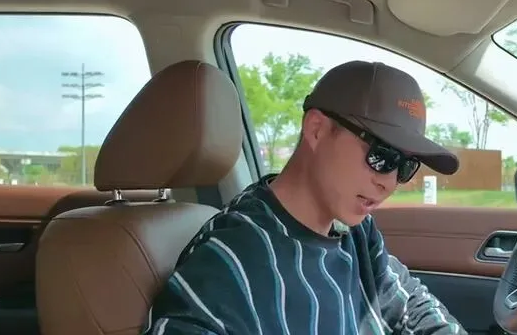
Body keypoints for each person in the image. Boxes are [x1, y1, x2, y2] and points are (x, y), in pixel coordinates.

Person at [143, 60, 467, 334]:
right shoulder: (233, 260)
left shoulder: (356, 233)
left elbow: (411, 306)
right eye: (381, 157)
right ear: (316, 129)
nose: (390, 182)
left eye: (405, 166)